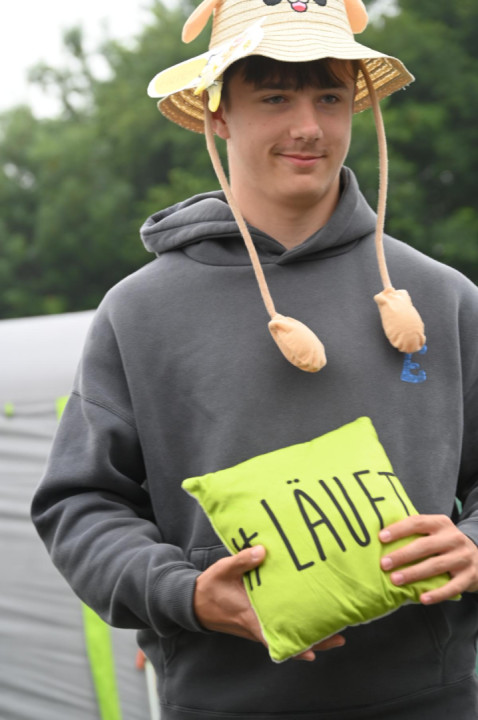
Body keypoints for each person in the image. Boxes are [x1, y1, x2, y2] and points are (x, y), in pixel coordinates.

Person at [31, 0, 478, 718]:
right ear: (218, 113)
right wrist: (184, 592)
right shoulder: (139, 312)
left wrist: (474, 546)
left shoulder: (442, 296)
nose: (308, 126)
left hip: (431, 700)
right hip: (219, 701)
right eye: (274, 97)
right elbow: (79, 504)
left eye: (329, 96)